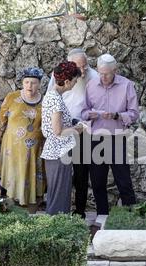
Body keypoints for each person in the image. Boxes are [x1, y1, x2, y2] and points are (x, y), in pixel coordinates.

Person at [82, 54, 139, 216]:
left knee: (124, 182)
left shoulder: (127, 85)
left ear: (115, 70)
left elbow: (134, 114)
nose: (103, 76)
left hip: (117, 139)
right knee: (97, 182)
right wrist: (89, 115)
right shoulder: (90, 85)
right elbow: (84, 111)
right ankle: (102, 218)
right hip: (95, 139)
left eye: (106, 73)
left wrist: (117, 116)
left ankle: (131, 218)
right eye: (100, 72)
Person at [46, 48, 98, 218]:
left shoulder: (94, 77)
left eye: (85, 66)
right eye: (78, 69)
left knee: (80, 174)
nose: (82, 72)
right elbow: (57, 128)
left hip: (77, 131)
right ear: (67, 80)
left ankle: (79, 211)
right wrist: (77, 128)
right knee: (60, 184)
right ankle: (57, 220)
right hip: (62, 137)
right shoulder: (56, 93)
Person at [0, 67, 46, 213]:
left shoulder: (45, 102)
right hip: (11, 153)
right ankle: (5, 218)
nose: (29, 86)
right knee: (8, 188)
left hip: (34, 155)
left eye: (33, 83)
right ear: (22, 82)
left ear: (39, 84)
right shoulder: (12, 98)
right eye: (26, 82)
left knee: (32, 189)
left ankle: (30, 220)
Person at [41, 61, 83, 215]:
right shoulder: (55, 100)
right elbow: (58, 131)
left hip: (56, 152)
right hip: (58, 153)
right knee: (59, 196)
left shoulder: (52, 96)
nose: (76, 83)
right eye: (74, 80)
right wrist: (78, 129)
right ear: (66, 81)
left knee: (58, 194)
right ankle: (55, 232)